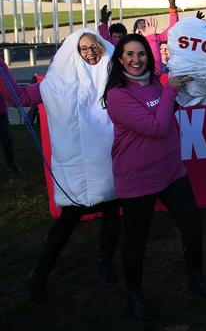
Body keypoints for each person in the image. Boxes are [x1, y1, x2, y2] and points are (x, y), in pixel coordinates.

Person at [101, 34, 206, 321]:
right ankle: (135, 297)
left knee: (192, 225)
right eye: (129, 54)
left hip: (171, 171)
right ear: (120, 59)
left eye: (141, 54)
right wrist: (170, 91)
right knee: (136, 241)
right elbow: (156, 126)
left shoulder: (154, 82)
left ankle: (196, 277)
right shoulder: (118, 95)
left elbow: (171, 109)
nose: (136, 60)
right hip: (138, 178)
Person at [0, 30, 119, 302]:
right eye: (83, 48)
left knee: (112, 215)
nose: (90, 52)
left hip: (107, 165)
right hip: (78, 172)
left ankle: (105, 263)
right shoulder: (57, 84)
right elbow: (22, 98)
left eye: (94, 46)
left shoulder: (113, 77)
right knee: (66, 224)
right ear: (73, 52)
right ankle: (38, 277)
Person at [0, 93, 21, 173]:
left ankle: (11, 163)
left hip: (1, 114)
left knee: (6, 140)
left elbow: (7, 92)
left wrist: (14, 102)